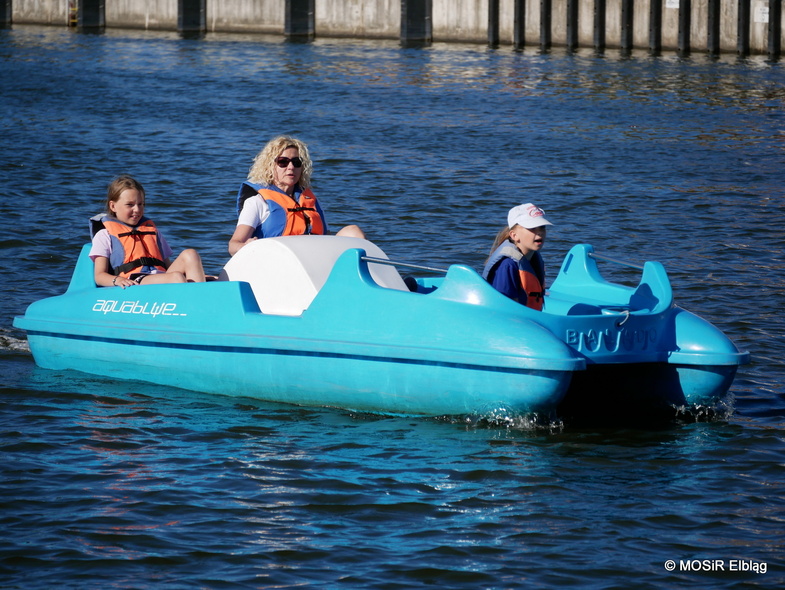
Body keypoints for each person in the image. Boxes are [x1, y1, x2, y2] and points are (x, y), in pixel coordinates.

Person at [228, 135, 364, 256]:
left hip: (313, 260)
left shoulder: (312, 202)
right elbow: (233, 246)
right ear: (270, 166)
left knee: (353, 231)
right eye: (283, 162)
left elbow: (325, 239)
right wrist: (248, 246)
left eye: (296, 162)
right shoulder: (257, 202)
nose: (291, 167)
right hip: (277, 263)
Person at [90, 175, 207, 288]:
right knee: (176, 277)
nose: (137, 209)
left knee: (190, 254)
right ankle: (192, 303)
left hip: (161, 277)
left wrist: (193, 276)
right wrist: (117, 280)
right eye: (130, 205)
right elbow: (99, 276)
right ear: (113, 206)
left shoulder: (152, 230)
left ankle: (202, 292)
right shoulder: (104, 235)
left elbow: (167, 266)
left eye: (140, 204)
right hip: (135, 281)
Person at [481, 203, 553, 311]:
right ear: (514, 235)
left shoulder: (533, 259)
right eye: (532, 228)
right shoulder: (507, 265)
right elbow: (503, 309)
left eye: (542, 227)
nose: (540, 232)